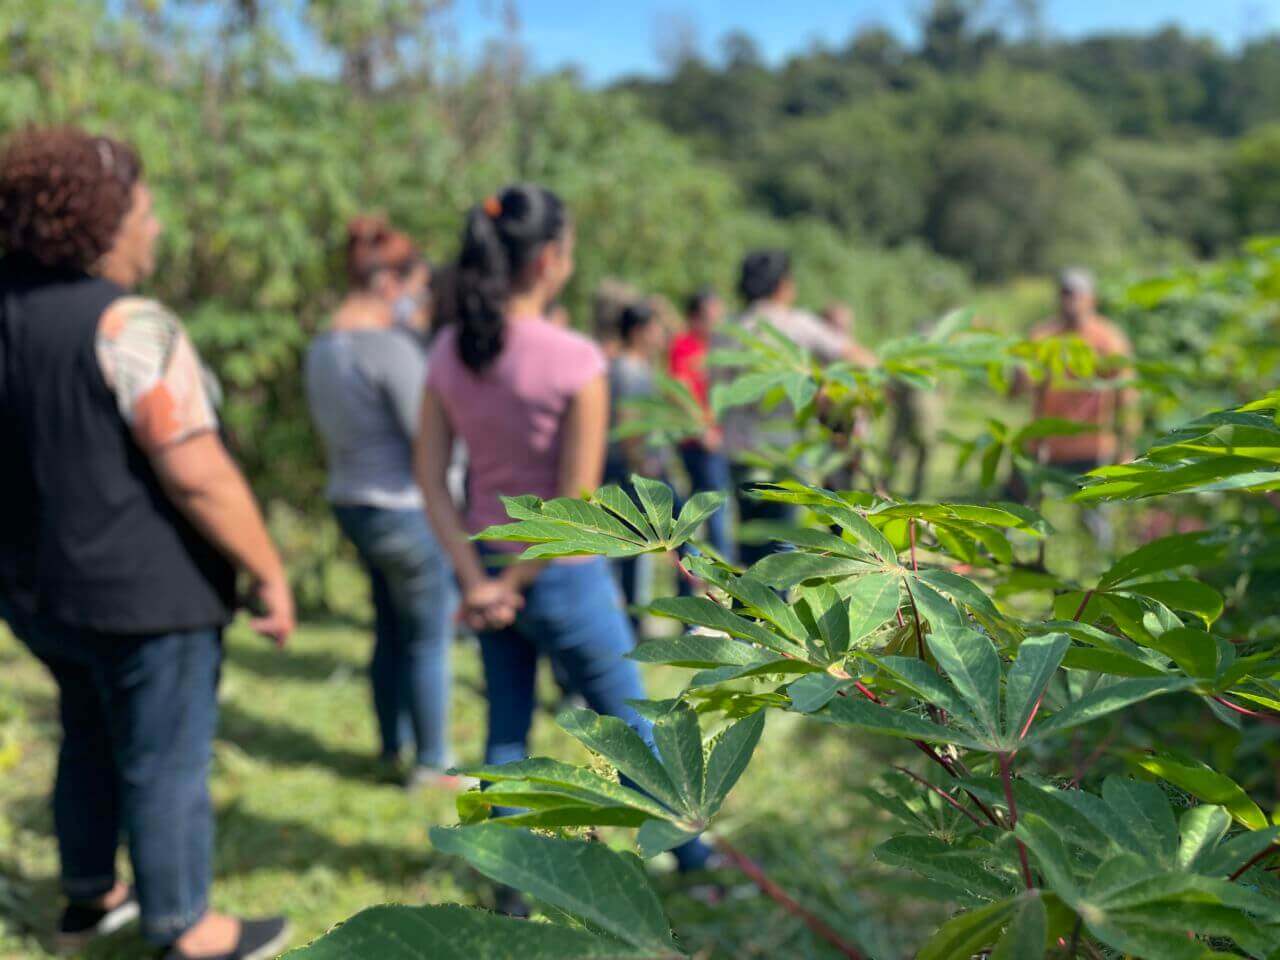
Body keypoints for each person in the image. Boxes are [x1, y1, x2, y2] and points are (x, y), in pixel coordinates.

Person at [0, 127, 291, 960]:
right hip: (145, 596)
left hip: (38, 592)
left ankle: (91, 900)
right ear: (99, 220)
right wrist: (267, 569)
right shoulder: (128, 324)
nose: (154, 227)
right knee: (165, 759)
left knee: (86, 732)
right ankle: (187, 929)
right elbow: (197, 470)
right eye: (145, 209)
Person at [415, 183, 711, 875]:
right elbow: (574, 498)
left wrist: (479, 581)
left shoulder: (449, 351)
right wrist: (518, 577)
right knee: (631, 729)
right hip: (564, 576)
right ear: (549, 259)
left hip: (489, 574)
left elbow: (431, 478)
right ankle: (696, 860)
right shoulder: (576, 359)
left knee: (507, 733)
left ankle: (508, 874)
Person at [305, 216, 459, 789]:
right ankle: (433, 762)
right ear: (391, 283)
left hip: (352, 500)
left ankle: (390, 743)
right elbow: (427, 435)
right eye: (417, 286)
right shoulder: (389, 349)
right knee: (427, 635)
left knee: (389, 629)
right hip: (403, 507)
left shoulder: (324, 344)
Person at [721, 251, 871, 566]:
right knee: (780, 557)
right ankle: (770, 614)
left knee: (750, 554)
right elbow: (858, 358)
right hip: (783, 455)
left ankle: (746, 614)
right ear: (782, 284)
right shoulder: (795, 324)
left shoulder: (729, 329)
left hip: (739, 455)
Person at [604, 301, 671, 623]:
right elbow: (628, 421)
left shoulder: (639, 366)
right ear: (638, 332)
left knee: (636, 548)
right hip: (630, 470)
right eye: (655, 328)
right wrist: (640, 466)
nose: (661, 335)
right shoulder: (627, 369)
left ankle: (632, 615)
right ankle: (631, 618)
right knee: (633, 546)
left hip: (639, 468)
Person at [668, 288, 732, 559]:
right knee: (714, 512)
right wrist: (703, 431)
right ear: (695, 318)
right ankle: (718, 574)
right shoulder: (685, 345)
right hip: (699, 442)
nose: (717, 321)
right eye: (711, 316)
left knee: (697, 509)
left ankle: (691, 571)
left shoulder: (717, 347)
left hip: (717, 438)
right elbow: (680, 391)